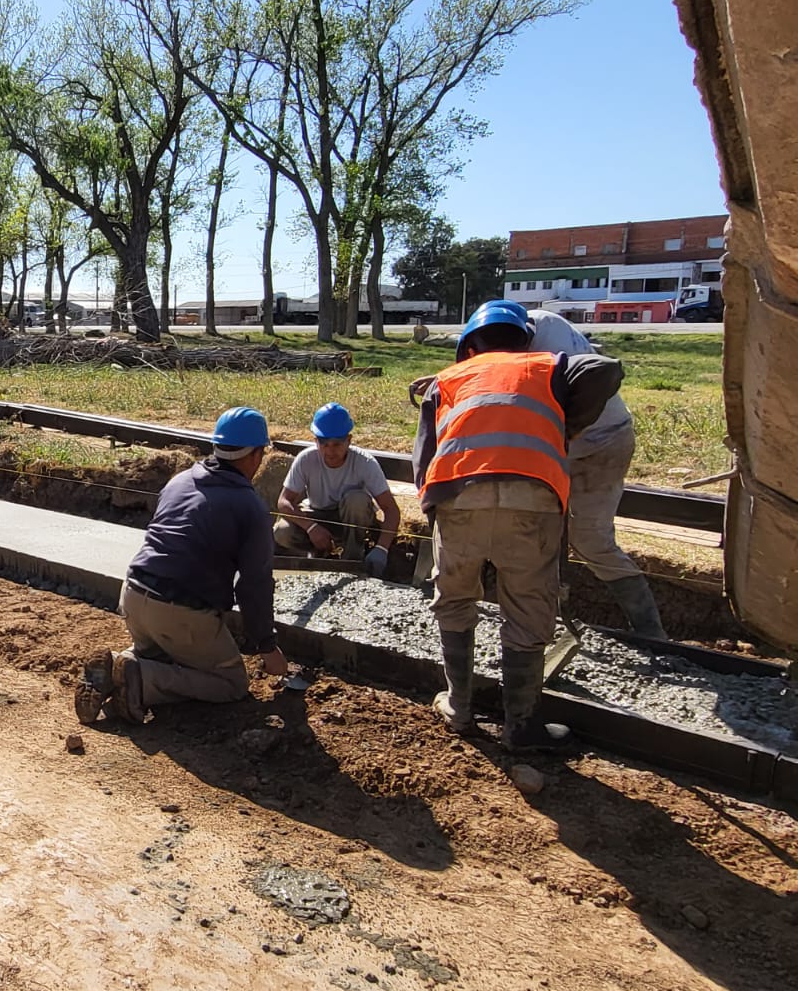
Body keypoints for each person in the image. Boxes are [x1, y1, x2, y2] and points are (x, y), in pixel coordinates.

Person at [414, 301, 624, 751]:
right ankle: (521, 728)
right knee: (528, 611)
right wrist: (566, 424)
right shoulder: (549, 366)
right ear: (523, 338)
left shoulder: (445, 381)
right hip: (533, 499)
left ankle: (460, 707)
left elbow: (424, 457)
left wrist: (435, 510)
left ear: (469, 344)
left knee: (453, 600)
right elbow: (606, 369)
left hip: (458, 496)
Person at [75, 407, 291, 725]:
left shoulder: (181, 480)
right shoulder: (250, 506)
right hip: (179, 610)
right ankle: (141, 679)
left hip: (133, 596)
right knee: (231, 683)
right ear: (256, 456)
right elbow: (253, 585)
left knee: (168, 651)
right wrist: (266, 646)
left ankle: (118, 666)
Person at [524, 310, 666, 637]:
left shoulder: (547, 337)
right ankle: (537, 615)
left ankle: (650, 631)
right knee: (530, 532)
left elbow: (582, 384)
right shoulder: (523, 332)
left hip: (602, 442)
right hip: (557, 446)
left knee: (590, 539)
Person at [274, 402, 400, 576]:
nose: (330, 451)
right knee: (282, 532)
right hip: (317, 514)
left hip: (351, 520)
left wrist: (382, 549)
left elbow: (391, 509)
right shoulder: (306, 460)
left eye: (337, 444)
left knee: (356, 500)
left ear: (349, 440)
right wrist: (311, 528)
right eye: (324, 444)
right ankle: (319, 553)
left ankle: (352, 559)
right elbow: (283, 501)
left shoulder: (365, 463)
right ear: (315, 441)